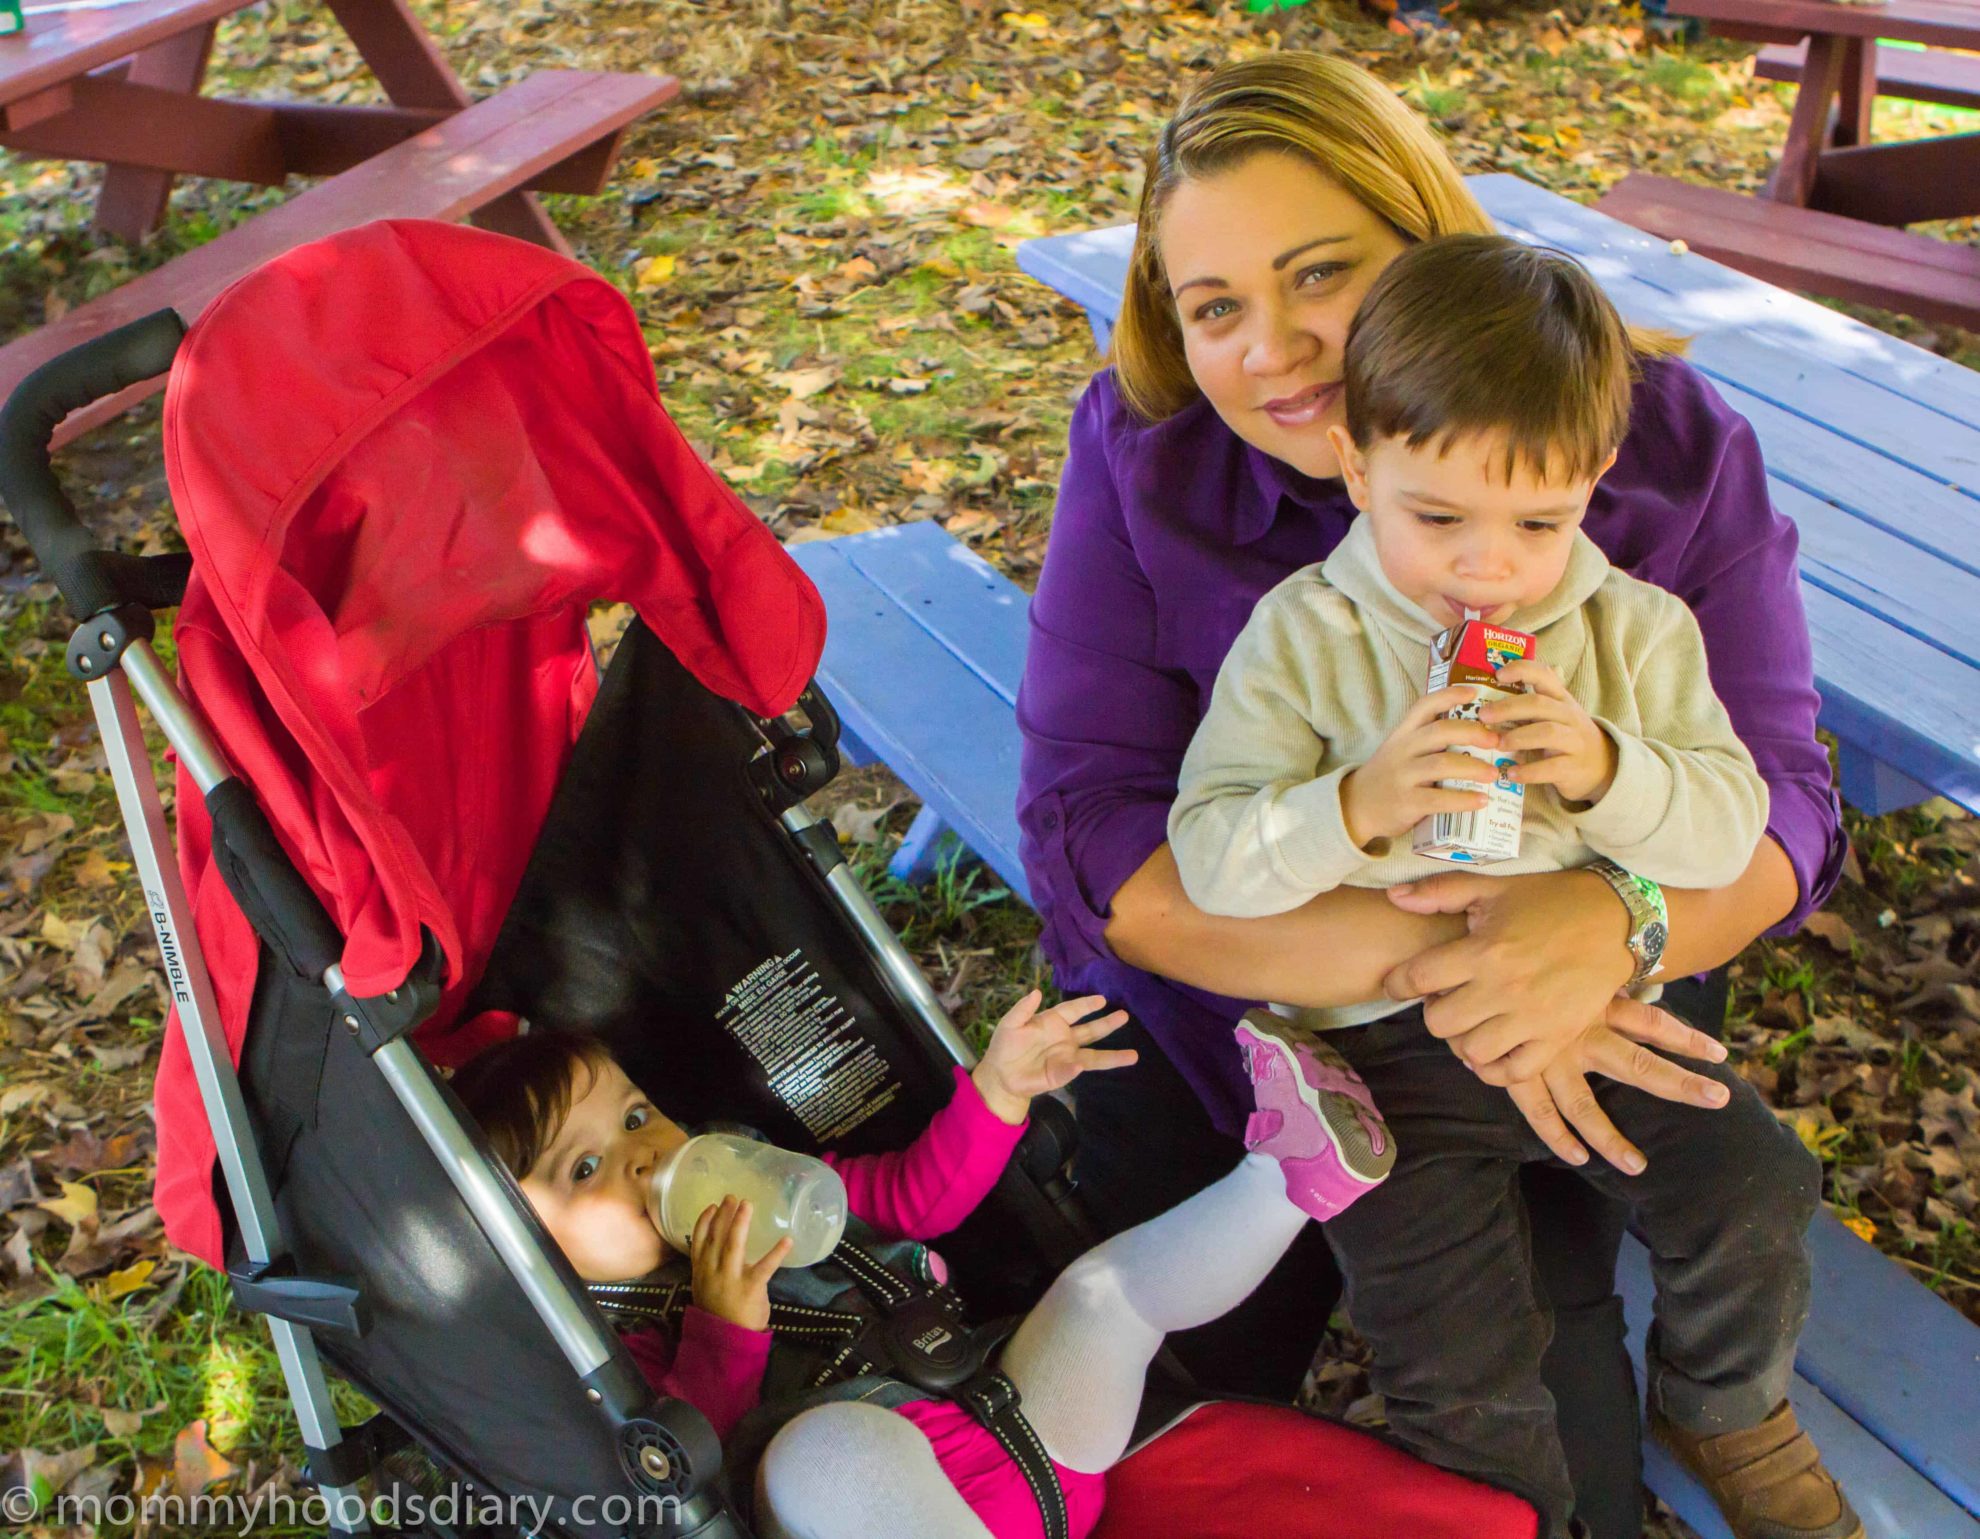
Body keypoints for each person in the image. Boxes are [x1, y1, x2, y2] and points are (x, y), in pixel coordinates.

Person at [1014, 51, 1846, 1539]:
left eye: (1321, 272)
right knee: (1120, 1424)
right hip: (1261, 1014)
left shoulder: (1653, 452)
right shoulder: (1163, 473)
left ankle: (1707, 1401)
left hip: (1587, 996)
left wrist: (1614, 924)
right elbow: (1094, 837)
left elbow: (1781, 803)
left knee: (1566, 1453)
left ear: (1426, 240)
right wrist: (1437, 949)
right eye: (1215, 309)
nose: (1275, 351)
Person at [452, 989, 1397, 1539]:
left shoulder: (761, 1177)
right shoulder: (615, 1344)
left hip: (1025, 1431)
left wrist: (995, 1090)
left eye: (632, 1117)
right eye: (587, 1168)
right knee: (811, 1455)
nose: (643, 1157)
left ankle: (1290, 1177)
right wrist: (724, 1323)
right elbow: (687, 1459)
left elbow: (911, 1197)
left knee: (1104, 1295)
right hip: (892, 1500)